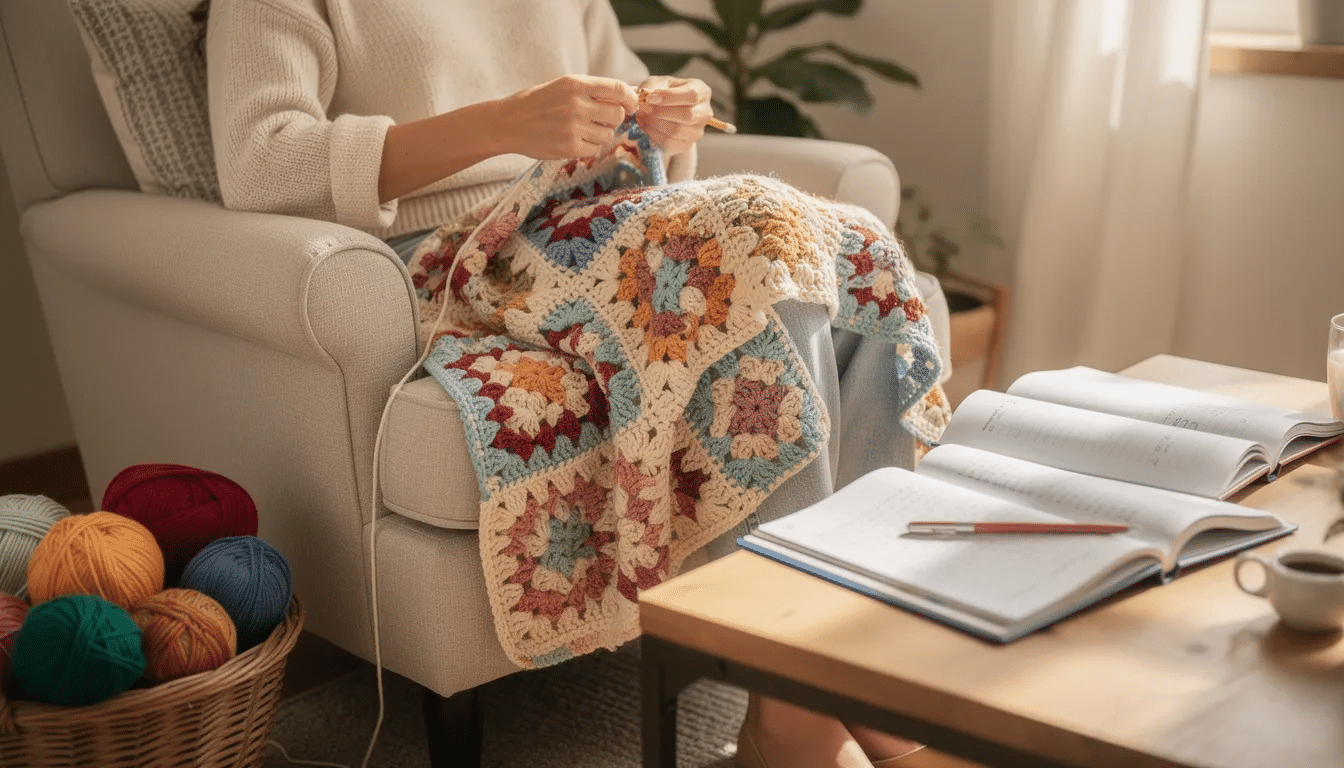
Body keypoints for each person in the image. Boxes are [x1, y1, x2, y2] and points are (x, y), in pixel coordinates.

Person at [196, 1, 941, 765]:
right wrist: (498, 125)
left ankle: (855, 677)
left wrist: (665, 126)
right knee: (745, 244)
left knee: (854, 254)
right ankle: (799, 722)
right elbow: (262, 163)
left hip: (591, 220)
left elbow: (620, 111)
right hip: (452, 256)